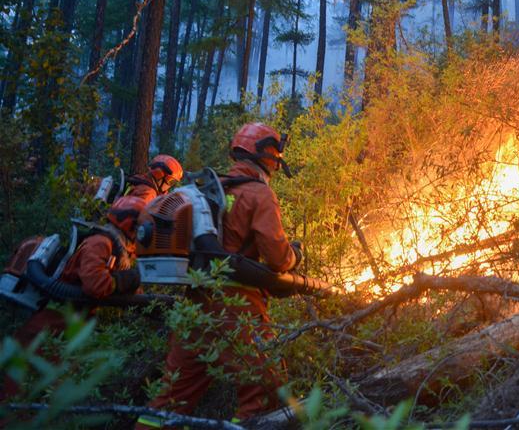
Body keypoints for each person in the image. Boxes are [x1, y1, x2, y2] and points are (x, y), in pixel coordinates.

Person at [136, 123, 302, 428]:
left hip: (194, 306)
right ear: (269, 157)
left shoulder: (208, 189)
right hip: (237, 307)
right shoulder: (259, 193)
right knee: (265, 389)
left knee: (170, 400)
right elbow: (277, 258)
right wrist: (295, 255)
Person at [1, 195, 145, 399]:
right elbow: (95, 285)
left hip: (67, 328)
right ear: (132, 226)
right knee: (16, 395)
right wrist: (128, 279)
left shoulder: (119, 250)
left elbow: (125, 290)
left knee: (51, 394)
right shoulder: (100, 243)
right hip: (50, 325)